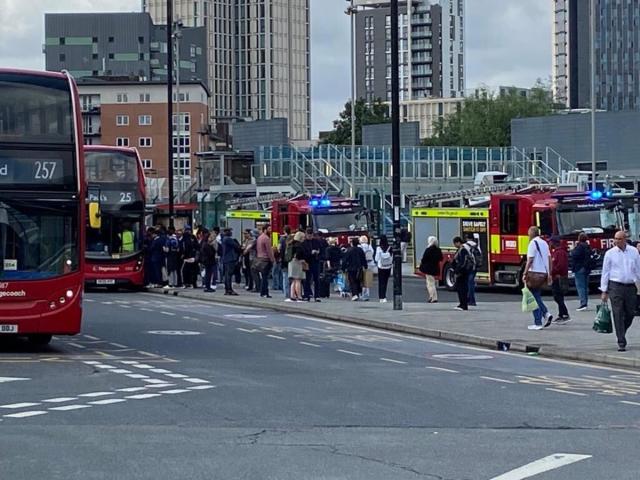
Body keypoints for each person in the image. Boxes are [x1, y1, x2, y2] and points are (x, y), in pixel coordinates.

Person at [600, 230, 640, 352]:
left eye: (619, 239)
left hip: (630, 286)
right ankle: (621, 341)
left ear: (625, 239)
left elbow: (638, 268)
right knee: (617, 312)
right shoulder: (610, 253)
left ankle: (621, 329)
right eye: (615, 239)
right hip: (615, 286)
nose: (616, 241)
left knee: (630, 312)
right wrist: (604, 290)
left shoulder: (633, 252)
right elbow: (605, 272)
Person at [523, 226, 553, 330]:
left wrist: (525, 273)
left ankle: (538, 322)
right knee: (537, 296)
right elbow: (549, 259)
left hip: (534, 273)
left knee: (533, 298)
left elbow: (530, 260)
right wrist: (549, 273)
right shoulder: (544, 243)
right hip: (543, 273)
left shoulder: (532, 243)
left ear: (531, 233)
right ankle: (546, 314)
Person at [550, 236, 570, 324]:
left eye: (550, 242)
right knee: (558, 296)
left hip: (559, 277)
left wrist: (552, 271)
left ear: (554, 243)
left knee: (558, 296)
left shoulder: (560, 252)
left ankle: (565, 314)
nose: (549, 244)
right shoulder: (557, 252)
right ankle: (561, 314)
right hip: (557, 277)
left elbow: (560, 266)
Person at [571, 232, 592, 311]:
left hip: (579, 268)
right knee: (585, 286)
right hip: (587, 268)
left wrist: (574, 247)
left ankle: (583, 304)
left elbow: (573, 254)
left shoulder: (579, 247)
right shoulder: (588, 246)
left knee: (580, 286)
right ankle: (585, 302)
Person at [301, 228, 323, 302]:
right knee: (307, 280)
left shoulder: (316, 241)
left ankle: (317, 296)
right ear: (306, 235)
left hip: (316, 262)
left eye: (311, 235)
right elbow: (303, 253)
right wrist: (311, 252)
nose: (310, 237)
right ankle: (307, 295)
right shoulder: (304, 243)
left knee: (317, 279)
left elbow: (321, 250)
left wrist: (317, 252)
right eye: (308, 235)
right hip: (308, 262)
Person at [419, 236, 443, 303]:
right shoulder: (438, 250)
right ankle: (433, 297)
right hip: (435, 268)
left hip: (428, 268)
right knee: (433, 282)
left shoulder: (428, 249)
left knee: (430, 284)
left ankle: (432, 297)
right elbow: (441, 258)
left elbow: (424, 259)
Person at [451, 236, 472, 311]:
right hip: (462, 271)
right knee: (460, 288)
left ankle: (464, 305)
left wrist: (458, 270)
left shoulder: (463, 250)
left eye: (455, 243)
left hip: (462, 272)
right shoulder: (461, 250)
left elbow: (463, 262)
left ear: (458, 242)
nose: (454, 245)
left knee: (462, 288)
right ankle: (461, 304)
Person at [255, 224, 275, 298]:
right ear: (265, 230)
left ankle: (262, 292)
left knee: (263, 276)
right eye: (269, 229)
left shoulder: (259, 237)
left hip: (260, 259)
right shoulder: (266, 238)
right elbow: (269, 251)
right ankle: (265, 292)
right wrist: (272, 260)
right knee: (265, 277)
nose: (270, 230)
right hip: (266, 259)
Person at [286, 231, 306, 302]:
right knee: (298, 280)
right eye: (303, 237)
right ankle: (299, 296)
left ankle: (292, 296)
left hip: (291, 262)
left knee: (293, 280)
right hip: (297, 263)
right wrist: (302, 260)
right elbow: (299, 255)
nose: (304, 238)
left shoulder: (291, 243)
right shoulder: (299, 245)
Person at [221, 228, 241, 295]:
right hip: (230, 258)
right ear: (227, 232)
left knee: (227, 274)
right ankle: (229, 289)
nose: (231, 233)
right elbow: (236, 246)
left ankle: (227, 289)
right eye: (230, 231)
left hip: (226, 259)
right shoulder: (228, 239)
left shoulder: (224, 239)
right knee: (229, 274)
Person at [374, 235, 393, 303]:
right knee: (385, 282)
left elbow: (376, 259)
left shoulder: (379, 248)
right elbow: (392, 258)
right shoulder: (390, 248)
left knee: (381, 282)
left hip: (381, 267)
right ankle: (384, 297)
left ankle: (381, 297)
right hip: (388, 267)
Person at [465, 234, 481, 306]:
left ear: (467, 238)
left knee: (469, 283)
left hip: (469, 267)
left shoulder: (465, 246)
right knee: (471, 283)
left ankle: (470, 300)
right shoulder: (477, 245)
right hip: (475, 267)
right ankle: (471, 300)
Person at [358, 235, 376, 301]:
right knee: (368, 280)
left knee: (362, 280)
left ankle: (363, 294)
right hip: (370, 264)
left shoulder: (360, 247)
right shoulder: (369, 246)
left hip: (363, 264)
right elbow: (372, 253)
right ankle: (367, 295)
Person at [279, 226, 292, 300]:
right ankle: (291, 292)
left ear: (284, 231)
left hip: (284, 260)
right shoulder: (291, 238)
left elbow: (279, 248)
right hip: (290, 260)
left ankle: (286, 293)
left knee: (285, 277)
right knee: (291, 277)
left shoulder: (282, 239)